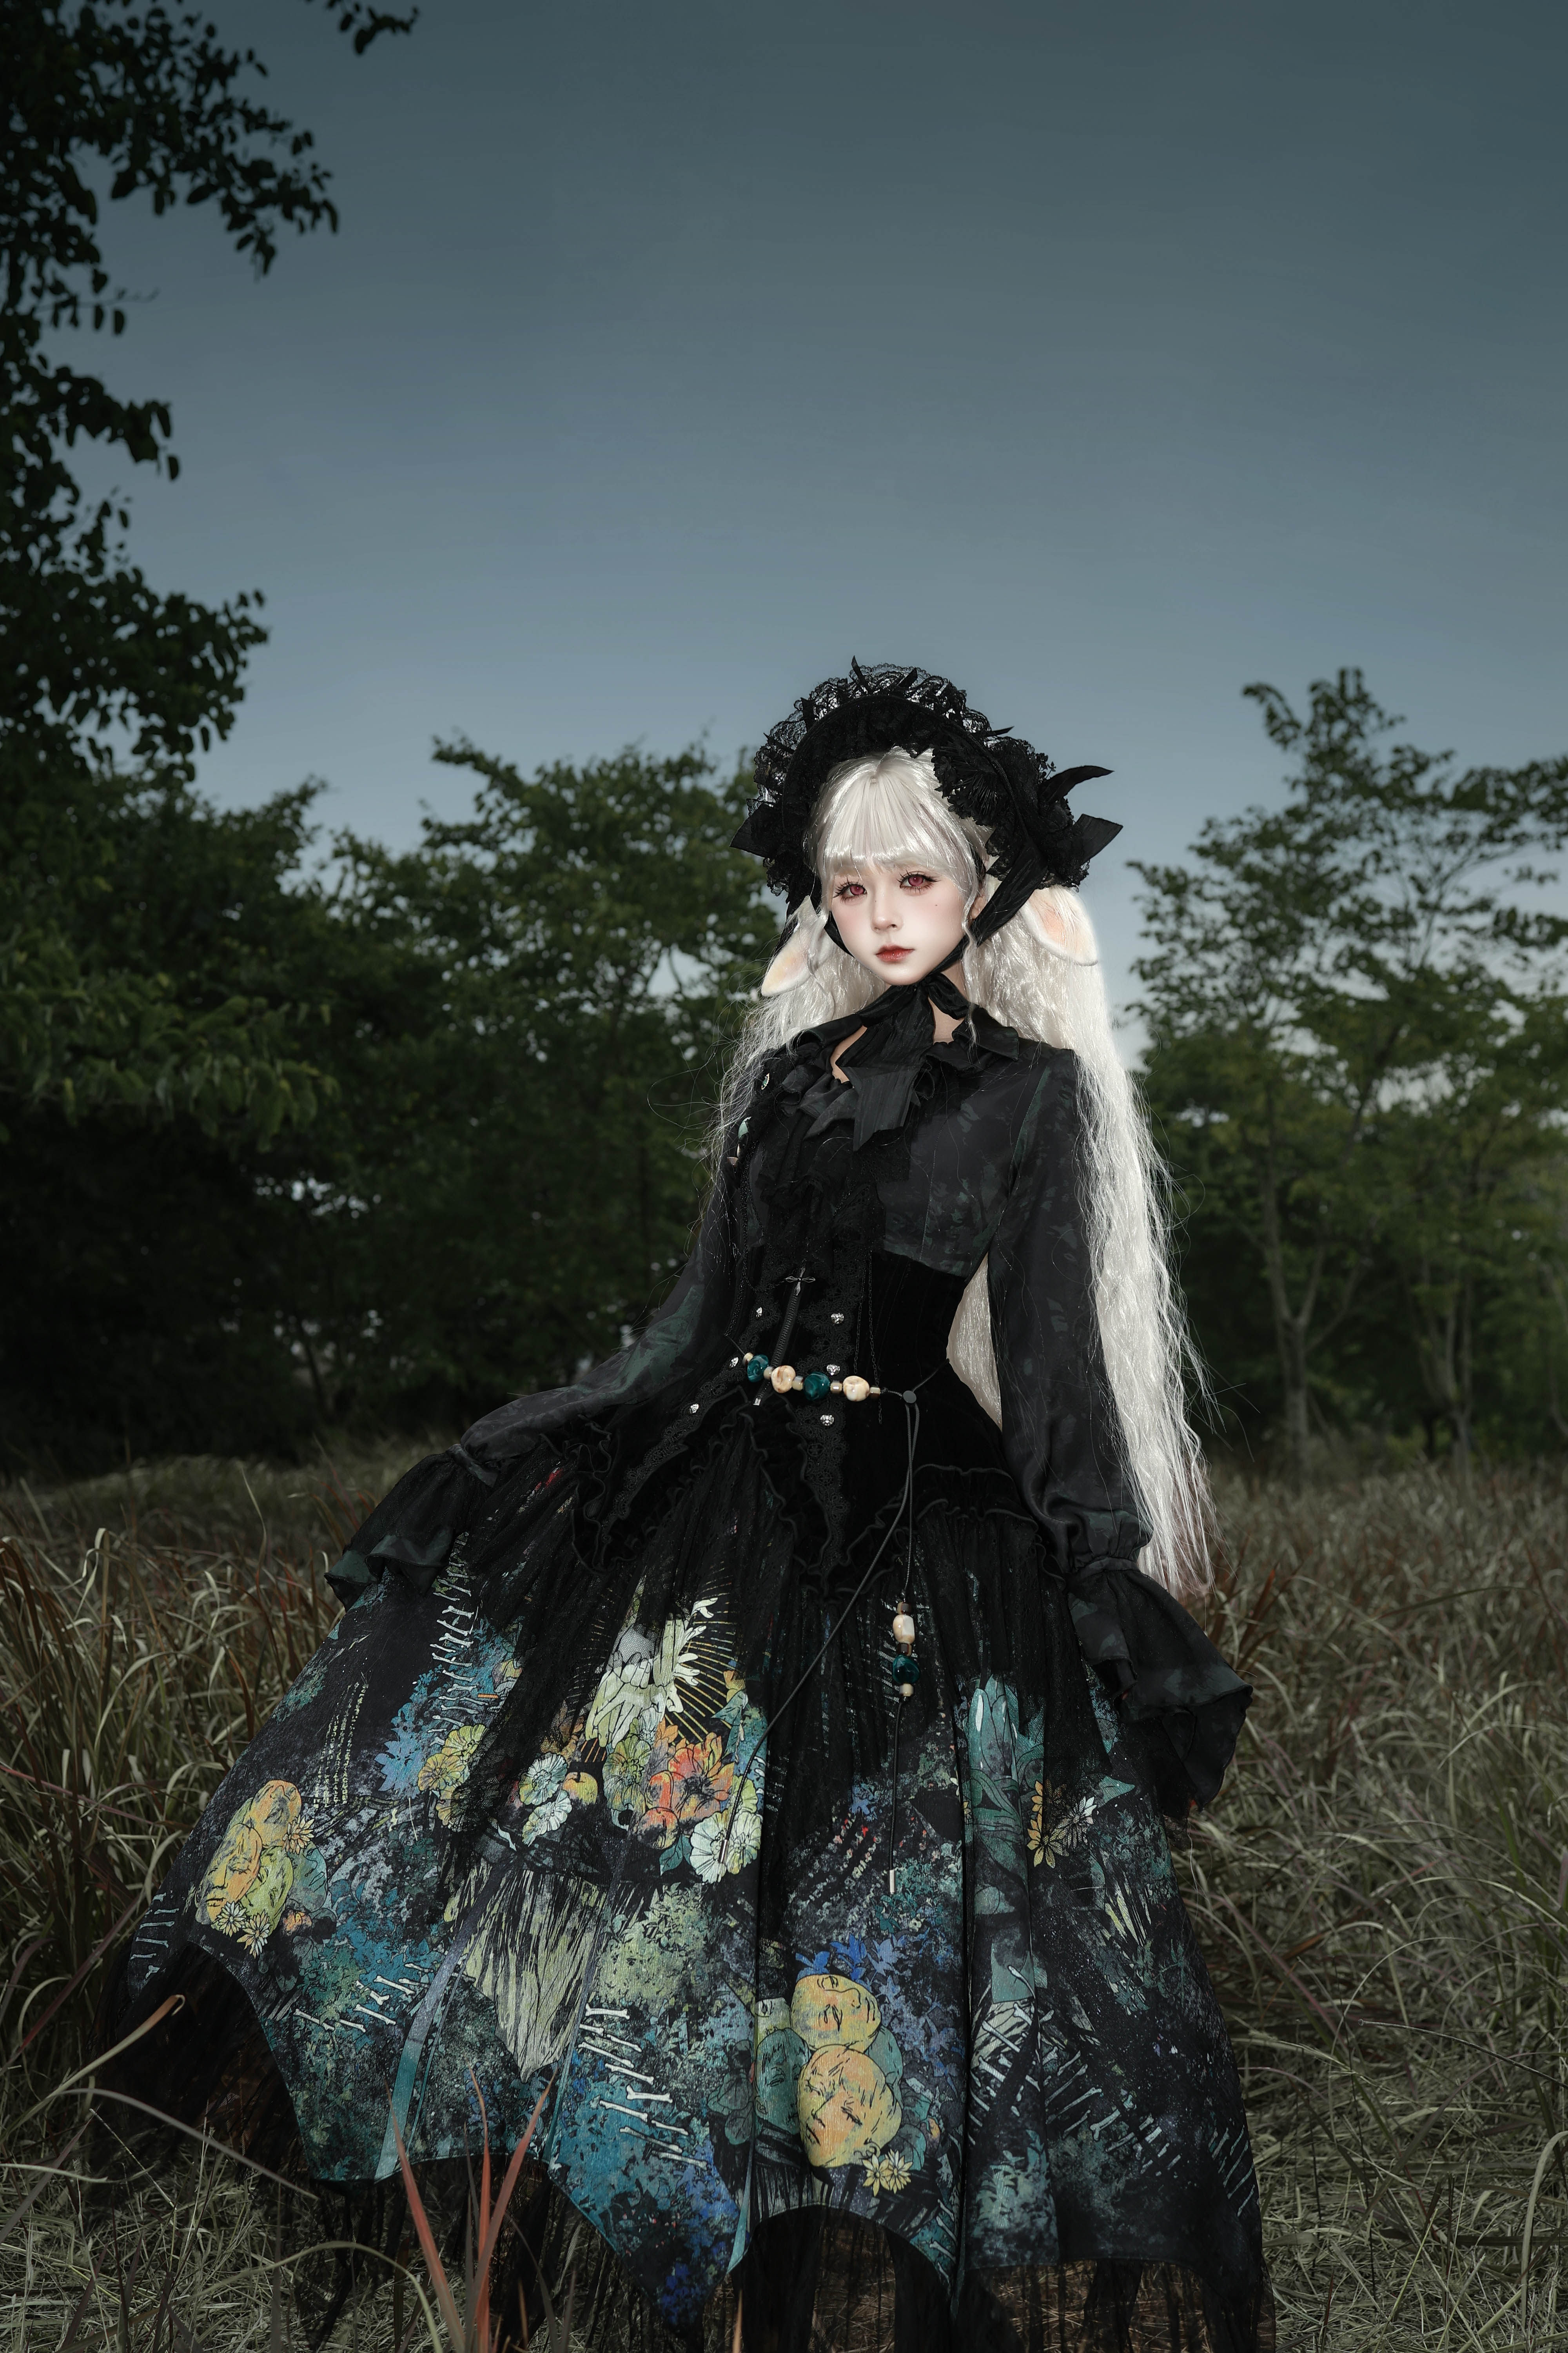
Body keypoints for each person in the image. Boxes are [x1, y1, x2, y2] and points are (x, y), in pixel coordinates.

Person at [100, 665, 1271, 2351]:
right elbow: (692, 1324)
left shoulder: (1031, 1093)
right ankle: (628, 2223)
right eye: (849, 885)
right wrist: (526, 1442)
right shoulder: (788, 1081)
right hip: (721, 1492)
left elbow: (1054, 1356)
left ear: (986, 887)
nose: (881, 913)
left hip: (915, 1525)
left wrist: (1100, 1566)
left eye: (916, 879)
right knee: (622, 1863)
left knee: (868, 1903)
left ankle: (824, 2246)